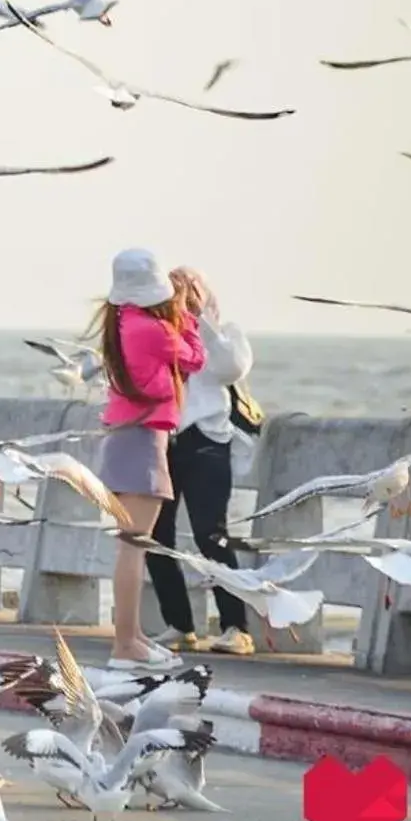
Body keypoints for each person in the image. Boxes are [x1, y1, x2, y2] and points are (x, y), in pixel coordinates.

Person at [93, 248, 205, 673]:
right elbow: (196, 358)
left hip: (128, 439)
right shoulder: (153, 330)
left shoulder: (124, 322)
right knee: (133, 548)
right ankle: (125, 644)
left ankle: (133, 637)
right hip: (142, 441)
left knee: (132, 546)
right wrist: (189, 315)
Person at [147, 266, 255, 657]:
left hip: (207, 442)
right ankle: (179, 624)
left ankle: (235, 627)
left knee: (211, 534)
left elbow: (230, 369)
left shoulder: (226, 336)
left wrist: (201, 320)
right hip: (163, 441)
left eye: (189, 293)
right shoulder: (160, 338)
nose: (182, 301)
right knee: (155, 537)